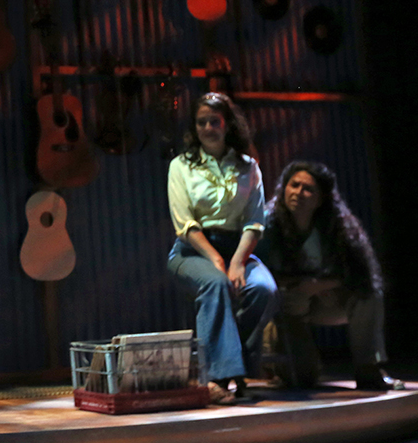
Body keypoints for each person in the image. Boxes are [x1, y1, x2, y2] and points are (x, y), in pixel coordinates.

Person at [166, 92, 279, 404]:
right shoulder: (181, 166)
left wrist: (239, 261)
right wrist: (217, 258)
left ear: (227, 125)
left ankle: (232, 368)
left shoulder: (248, 167)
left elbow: (254, 222)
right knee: (215, 284)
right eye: (201, 122)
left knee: (264, 289)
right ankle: (216, 378)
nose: (207, 128)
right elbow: (184, 223)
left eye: (213, 121)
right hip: (192, 251)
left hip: (238, 248)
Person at [260, 161, 404, 391]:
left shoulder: (337, 224)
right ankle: (280, 358)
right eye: (293, 185)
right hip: (287, 303)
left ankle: (369, 369)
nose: (299, 193)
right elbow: (257, 271)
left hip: (325, 299)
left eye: (308, 189)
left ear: (321, 198)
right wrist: (299, 286)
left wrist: (317, 285)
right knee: (302, 377)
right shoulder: (267, 222)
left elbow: (362, 274)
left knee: (369, 294)